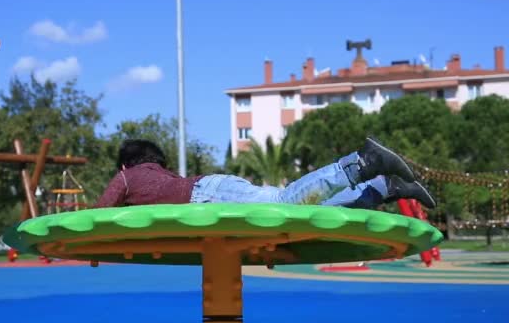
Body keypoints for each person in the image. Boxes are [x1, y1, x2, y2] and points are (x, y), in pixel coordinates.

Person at [94, 138, 436, 210]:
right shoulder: (159, 177)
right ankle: (381, 188)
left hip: (210, 194)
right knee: (303, 210)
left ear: (125, 165)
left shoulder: (127, 177)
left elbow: (98, 215)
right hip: (212, 192)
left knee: (286, 201)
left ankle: (362, 163)